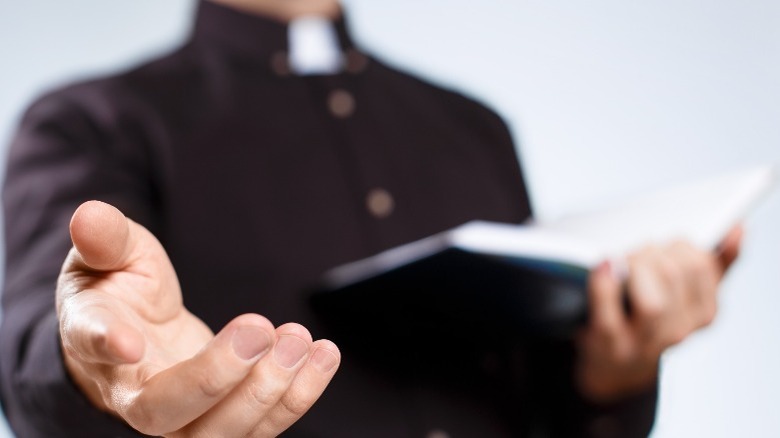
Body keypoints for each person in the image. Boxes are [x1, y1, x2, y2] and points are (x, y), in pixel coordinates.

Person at [0, 0, 741, 437]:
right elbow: (37, 330)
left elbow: (541, 404)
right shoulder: (92, 120)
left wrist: (618, 367)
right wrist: (95, 360)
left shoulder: (475, 127)